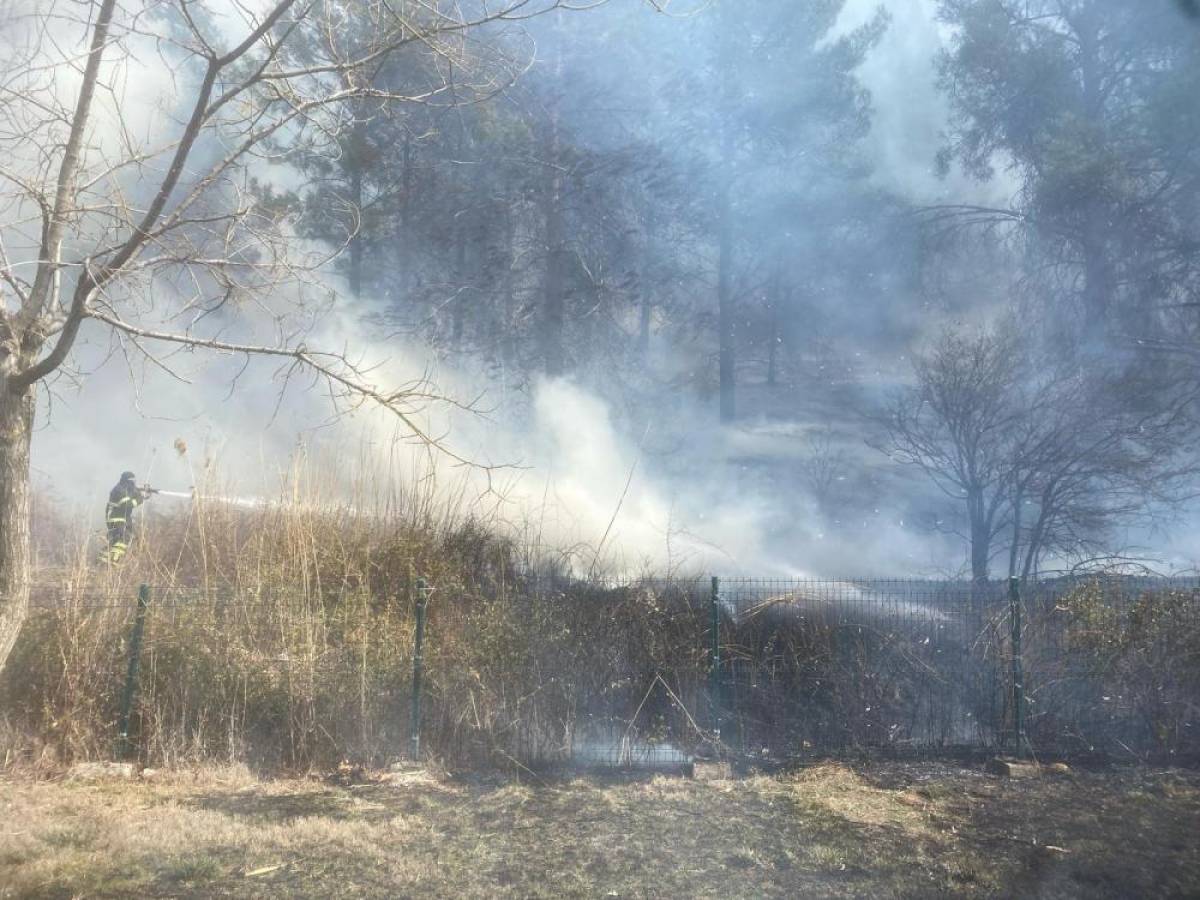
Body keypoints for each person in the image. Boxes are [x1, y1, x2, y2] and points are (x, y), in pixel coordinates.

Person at [104, 471, 151, 563]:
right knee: (124, 538)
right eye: (132, 481)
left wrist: (142, 492)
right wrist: (141, 498)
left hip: (123, 518)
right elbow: (128, 504)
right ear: (127, 481)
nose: (134, 483)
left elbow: (132, 494)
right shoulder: (119, 490)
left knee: (119, 540)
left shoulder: (124, 488)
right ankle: (114, 560)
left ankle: (104, 561)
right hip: (116, 518)